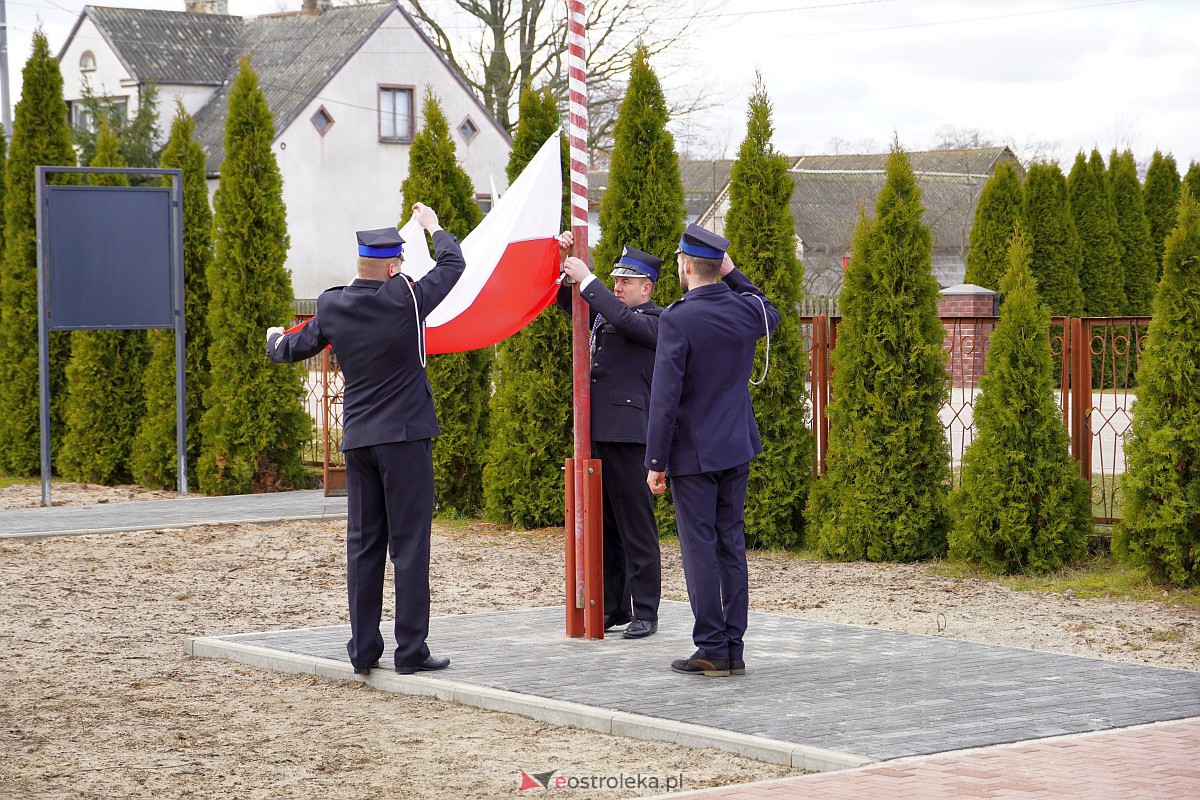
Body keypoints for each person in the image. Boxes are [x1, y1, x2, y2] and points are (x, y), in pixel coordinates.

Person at [265, 203, 462, 676]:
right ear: (394, 266)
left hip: (359, 441)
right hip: (407, 438)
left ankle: (363, 650)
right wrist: (434, 227)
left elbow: (291, 347)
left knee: (364, 544)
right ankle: (410, 651)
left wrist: (273, 338)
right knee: (410, 545)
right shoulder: (406, 297)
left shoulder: (332, 304)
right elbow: (453, 264)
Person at [644, 223, 779, 677]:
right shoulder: (743, 310)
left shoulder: (677, 319)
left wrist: (655, 463)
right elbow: (772, 311)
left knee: (700, 547)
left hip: (692, 455)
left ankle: (711, 647)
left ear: (683, 265)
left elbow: (665, 398)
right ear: (717, 266)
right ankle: (734, 647)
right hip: (736, 445)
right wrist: (736, 274)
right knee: (730, 544)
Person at [557, 234, 662, 639]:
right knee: (607, 528)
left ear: (646, 287)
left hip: (629, 435)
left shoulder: (655, 319)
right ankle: (615, 606)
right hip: (598, 430)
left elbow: (622, 319)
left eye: (625, 282)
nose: (617, 287)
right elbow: (568, 301)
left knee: (636, 526)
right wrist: (562, 260)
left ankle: (646, 611)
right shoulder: (607, 312)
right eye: (614, 280)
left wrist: (590, 281)